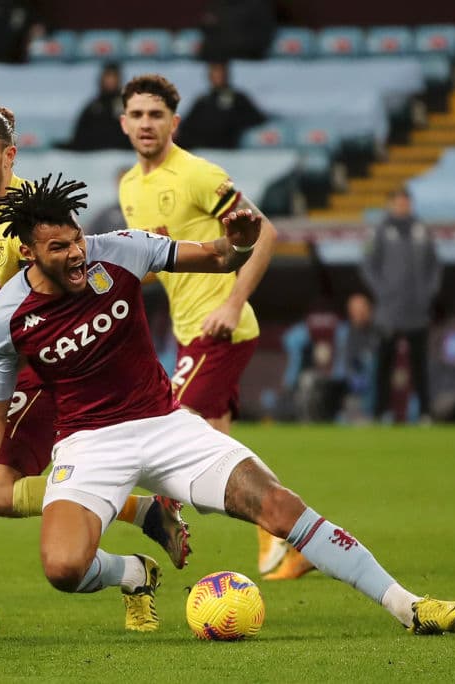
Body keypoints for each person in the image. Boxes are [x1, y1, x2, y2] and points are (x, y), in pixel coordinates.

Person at [0, 175, 455, 637]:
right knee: (62, 568)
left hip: (166, 426)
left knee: (280, 507)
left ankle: (409, 606)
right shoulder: (9, 313)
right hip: (88, 444)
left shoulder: (121, 249)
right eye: (58, 248)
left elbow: (217, 257)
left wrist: (236, 244)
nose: (76, 254)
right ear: (29, 254)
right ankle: (133, 573)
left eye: (76, 239)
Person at [0, 106, 188, 631]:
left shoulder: (40, 219)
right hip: (1, 368)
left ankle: (128, 529)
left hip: (46, 369)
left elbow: (52, 311)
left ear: (10, 157)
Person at [116, 74, 301, 579]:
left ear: (174, 122)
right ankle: (290, 534)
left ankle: (164, 518)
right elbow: (160, 260)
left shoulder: (197, 174)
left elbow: (265, 232)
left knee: (165, 431)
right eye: (138, 115)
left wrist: (233, 302)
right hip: (187, 332)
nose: (147, 123)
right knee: (218, 448)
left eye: (157, 115)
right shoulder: (130, 186)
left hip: (220, 329)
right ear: (124, 123)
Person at [360, 188, 441, 423]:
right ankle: (379, 412)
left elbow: (435, 265)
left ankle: (425, 412)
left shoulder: (421, 230)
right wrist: (384, 291)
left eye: (407, 202)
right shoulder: (380, 231)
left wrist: (428, 292)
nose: (404, 207)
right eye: (399, 203)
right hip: (389, 311)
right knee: (384, 363)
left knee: (420, 364)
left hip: (417, 310)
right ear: (391, 204)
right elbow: (368, 265)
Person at [177, 62, 267, 150]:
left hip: (226, 146)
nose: (218, 76)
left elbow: (257, 118)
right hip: (201, 147)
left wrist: (233, 123)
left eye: (221, 72)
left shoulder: (238, 98)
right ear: (209, 76)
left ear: (227, 75)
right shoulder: (203, 100)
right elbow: (187, 124)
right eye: (215, 73)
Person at [332, 293, 379, 422]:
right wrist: (352, 376)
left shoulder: (377, 332)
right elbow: (344, 364)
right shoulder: (344, 332)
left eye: (364, 309)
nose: (361, 313)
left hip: (373, 385)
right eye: (357, 310)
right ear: (350, 312)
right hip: (350, 384)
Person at [66, 62, 128, 152]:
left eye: (114, 77)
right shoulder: (92, 108)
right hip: (93, 158)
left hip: (122, 157)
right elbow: (79, 139)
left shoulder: (128, 107)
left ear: (119, 80)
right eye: (107, 77)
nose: (110, 81)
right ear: (101, 80)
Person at [199, 0, 276, 62]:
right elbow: (206, 29)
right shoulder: (217, 5)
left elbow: (264, 34)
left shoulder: (258, 5)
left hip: (249, 60)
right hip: (218, 59)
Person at [85, 167, 131, 236]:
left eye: (129, 182)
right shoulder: (105, 216)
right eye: (121, 182)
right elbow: (87, 240)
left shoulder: (147, 213)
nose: (125, 187)